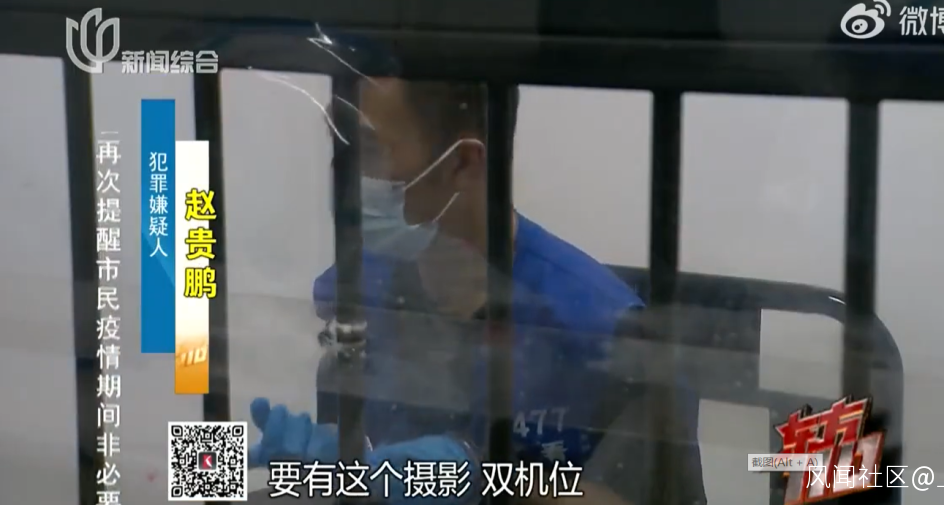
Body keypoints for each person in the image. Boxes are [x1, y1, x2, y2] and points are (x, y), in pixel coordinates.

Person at [247, 78, 706, 505]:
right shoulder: (356, 291)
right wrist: (314, 470)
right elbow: (235, 469)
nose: (342, 174)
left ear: (463, 163)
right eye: (337, 143)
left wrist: (486, 479)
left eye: (367, 149)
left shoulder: (607, 335)